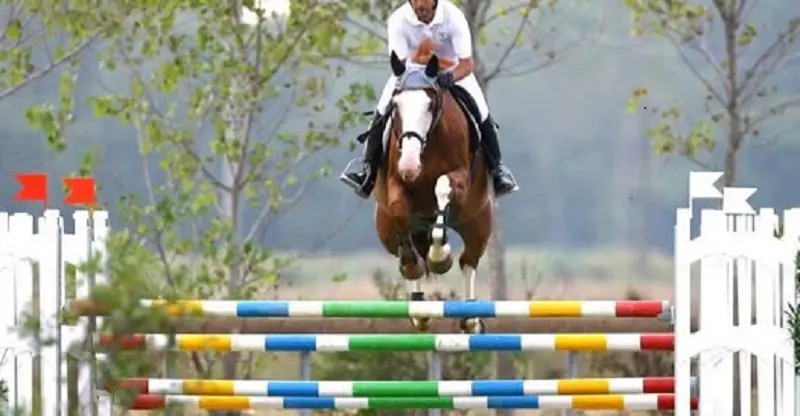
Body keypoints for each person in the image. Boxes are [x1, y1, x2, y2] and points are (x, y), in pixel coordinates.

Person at [339, 0, 519, 199]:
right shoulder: (399, 19)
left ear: (434, 2)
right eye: (416, 8)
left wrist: (449, 77)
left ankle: (498, 170)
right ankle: (368, 172)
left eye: (424, 9)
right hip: (412, 73)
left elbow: (467, 64)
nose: (420, 13)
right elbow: (398, 65)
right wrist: (415, 72)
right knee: (381, 110)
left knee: (482, 111)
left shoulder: (453, 17)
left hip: (453, 70)